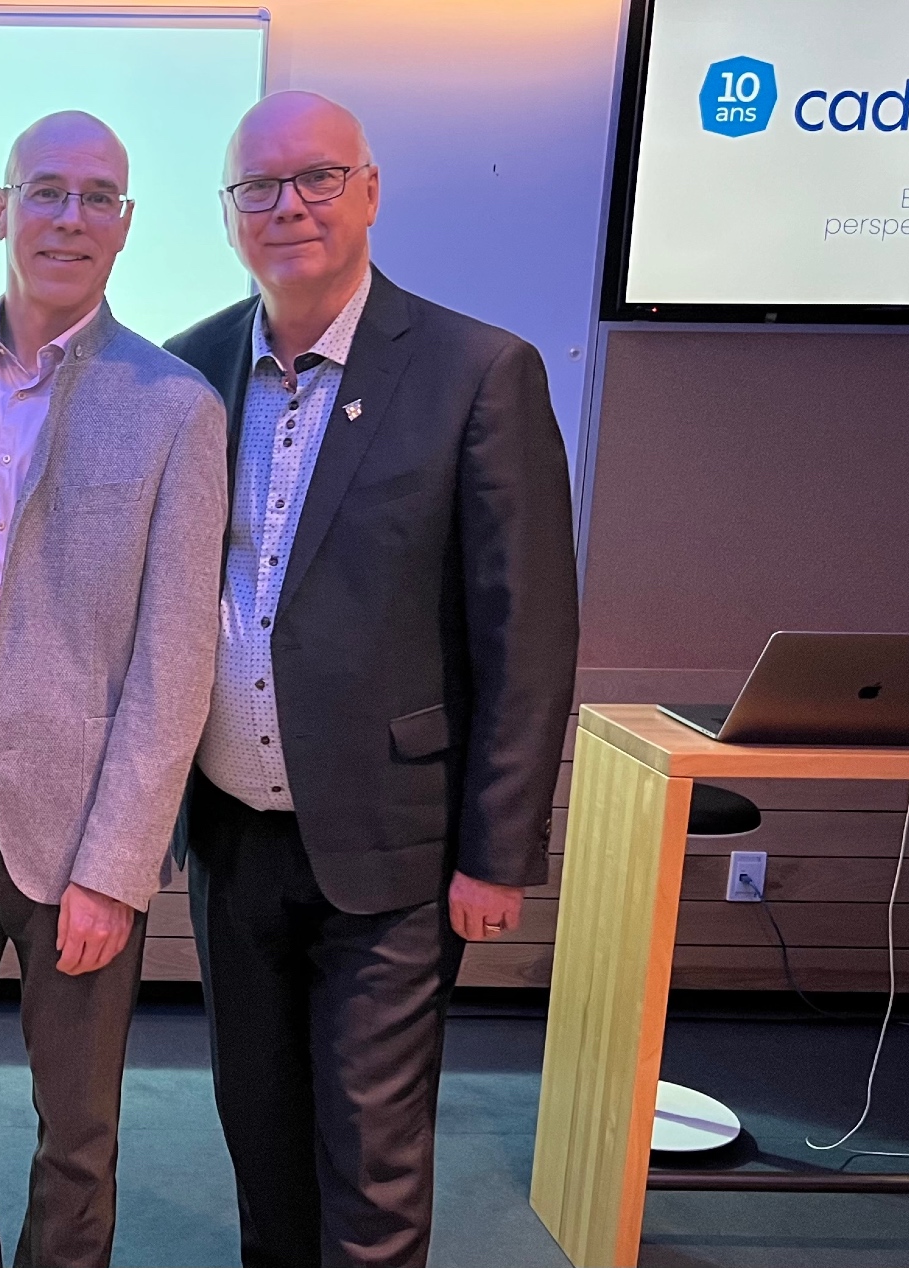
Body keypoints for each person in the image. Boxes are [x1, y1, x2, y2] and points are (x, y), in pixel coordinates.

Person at [164, 91, 579, 1267]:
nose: (287, 206)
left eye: (316, 177)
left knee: (371, 1155)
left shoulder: (475, 370)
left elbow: (525, 631)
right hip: (231, 840)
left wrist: (495, 852)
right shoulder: (187, 371)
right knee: (260, 1137)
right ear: (227, 212)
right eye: (257, 186)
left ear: (369, 191)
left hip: (394, 846)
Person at [0, 111, 228, 1268]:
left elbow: (174, 662)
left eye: (96, 197)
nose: (69, 217)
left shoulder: (175, 406)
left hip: (83, 837)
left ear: (125, 224)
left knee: (77, 1131)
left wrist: (117, 867)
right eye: (46, 191)